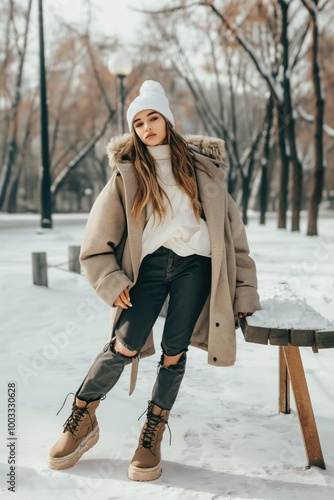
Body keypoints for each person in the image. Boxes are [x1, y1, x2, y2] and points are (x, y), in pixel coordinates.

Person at [48, 80, 261, 481]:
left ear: (167, 120)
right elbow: (96, 242)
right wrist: (110, 280)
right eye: (139, 122)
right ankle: (82, 415)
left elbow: (235, 240)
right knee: (123, 345)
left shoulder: (205, 171)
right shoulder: (127, 175)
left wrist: (245, 290)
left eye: (153, 118)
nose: (146, 128)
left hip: (195, 268)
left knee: (173, 351)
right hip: (149, 268)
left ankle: (151, 436)